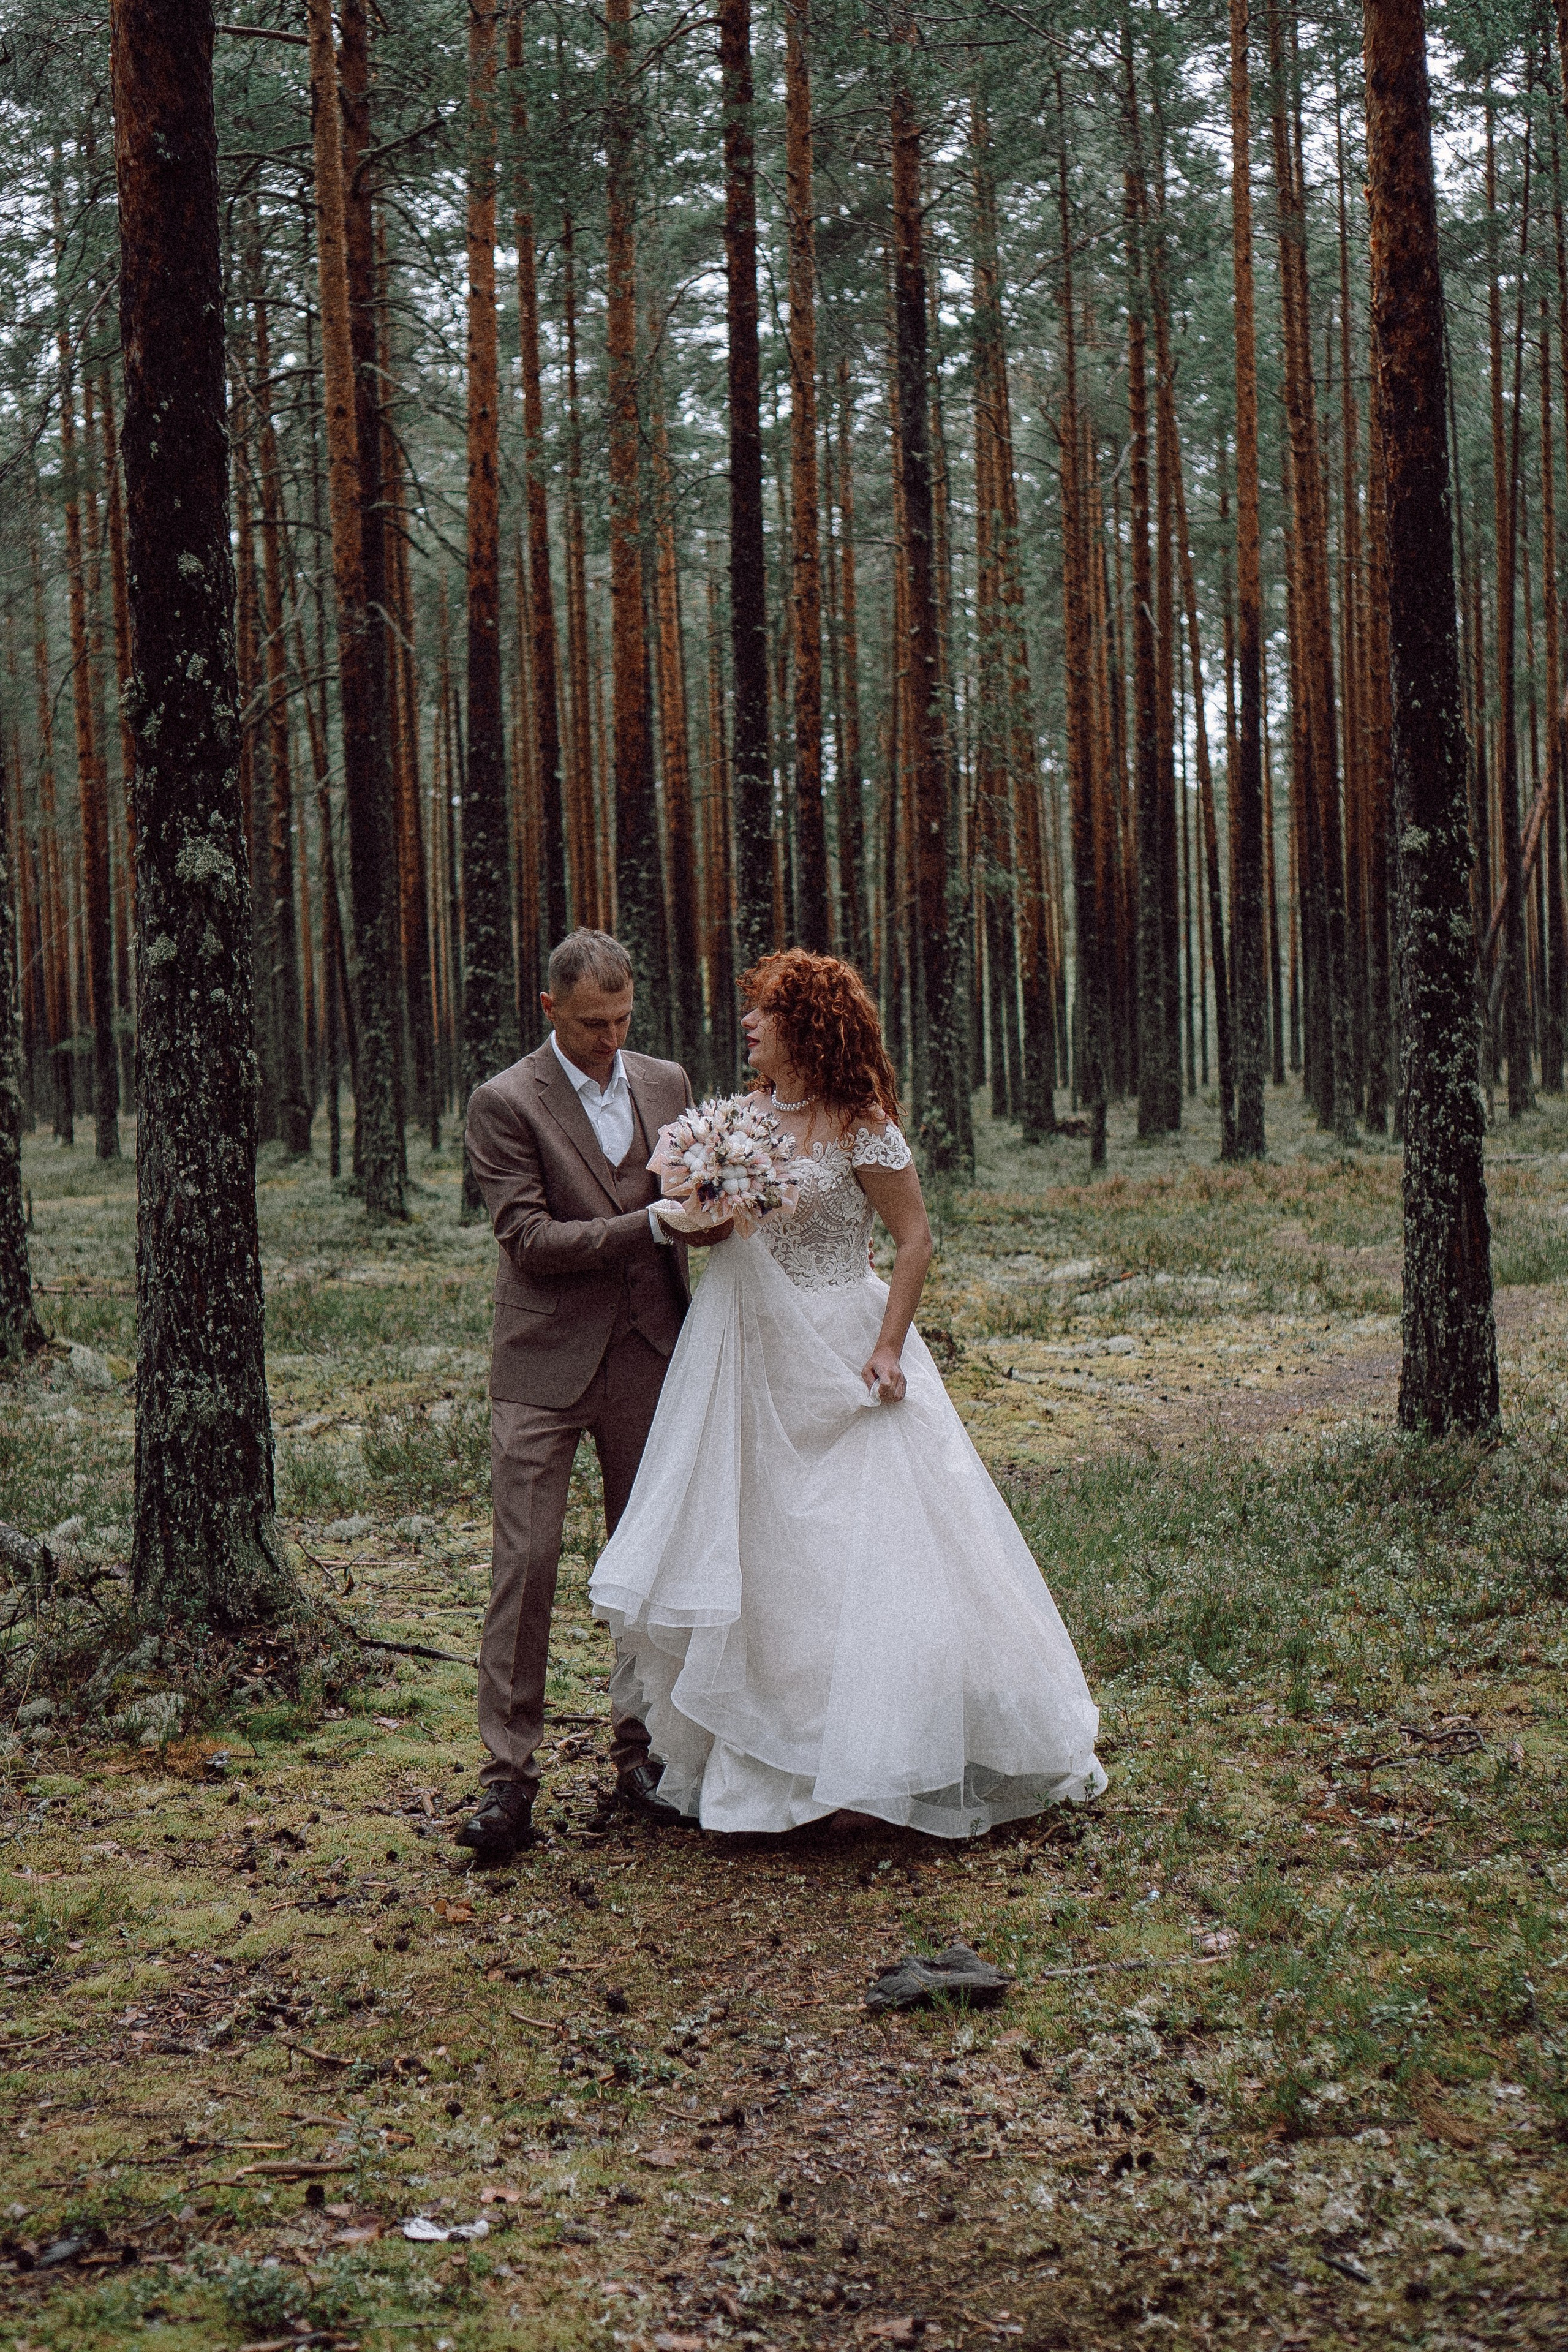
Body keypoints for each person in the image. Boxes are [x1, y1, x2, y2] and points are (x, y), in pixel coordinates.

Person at [589, 948, 1106, 1838]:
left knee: (860, 1546)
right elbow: (719, 1234)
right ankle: (768, 1764)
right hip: (748, 1346)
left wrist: (889, 1346)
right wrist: (701, 1210)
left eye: (766, 1011)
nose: (749, 1024)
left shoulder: (863, 1125)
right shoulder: (738, 1119)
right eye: (752, 1010)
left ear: (809, 1026)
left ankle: (871, 1760)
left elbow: (914, 1239)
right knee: (763, 1543)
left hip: (841, 1342)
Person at [461, 929, 731, 1861]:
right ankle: (507, 1781)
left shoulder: (669, 1084)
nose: (611, 1040)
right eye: (590, 1025)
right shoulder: (504, 1102)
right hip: (542, 1366)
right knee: (526, 1563)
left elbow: (695, 1204)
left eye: (622, 1021)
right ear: (550, 1010)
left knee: (650, 1562)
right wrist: (650, 1222)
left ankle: (643, 1755)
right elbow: (528, 1240)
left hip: (651, 1354)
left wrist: (720, 1215)